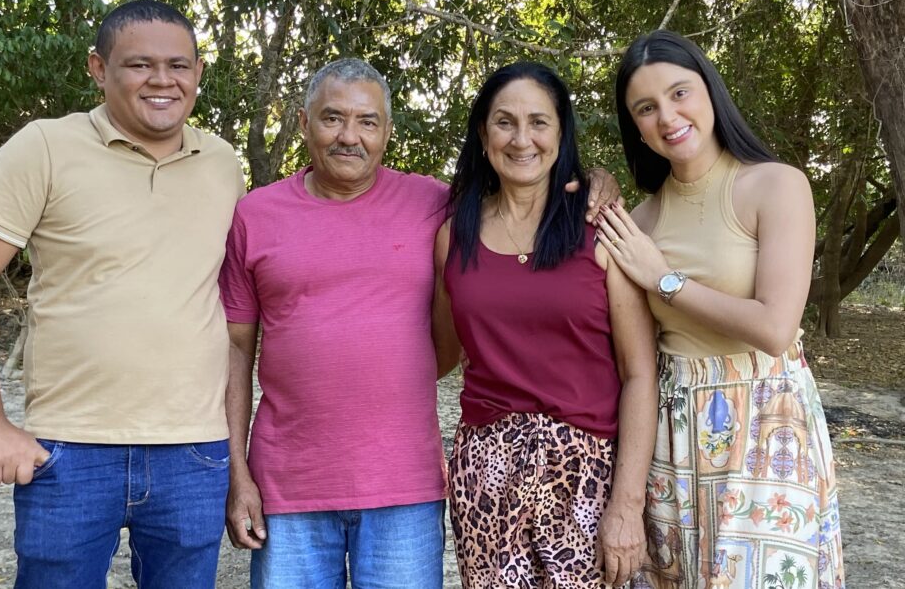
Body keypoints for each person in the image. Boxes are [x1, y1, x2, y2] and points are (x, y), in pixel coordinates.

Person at [221, 58, 620, 587]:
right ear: (302, 122)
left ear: (387, 130)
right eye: (332, 118)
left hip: (404, 488)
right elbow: (234, 351)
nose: (349, 136)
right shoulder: (256, 214)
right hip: (288, 485)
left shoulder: (435, 205)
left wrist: (594, 179)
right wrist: (237, 473)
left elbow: (522, 184)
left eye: (367, 121)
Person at [0, 0, 245, 588]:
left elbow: (233, 304)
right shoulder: (45, 148)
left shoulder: (222, 163)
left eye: (178, 64)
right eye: (139, 65)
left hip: (193, 449)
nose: (162, 80)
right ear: (98, 69)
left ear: (198, 73)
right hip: (69, 448)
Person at [598, 30, 845, 588]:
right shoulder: (637, 224)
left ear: (709, 89)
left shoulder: (775, 186)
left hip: (769, 427)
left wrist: (663, 279)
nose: (668, 116)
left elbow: (775, 328)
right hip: (672, 435)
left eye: (679, 92)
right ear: (634, 124)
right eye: (646, 107)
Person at [431, 61, 658, 588]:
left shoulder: (600, 227)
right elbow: (440, 355)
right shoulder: (454, 235)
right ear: (483, 134)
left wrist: (625, 505)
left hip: (585, 473)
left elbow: (639, 374)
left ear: (561, 132)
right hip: (485, 472)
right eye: (504, 122)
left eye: (539, 122)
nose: (521, 139)